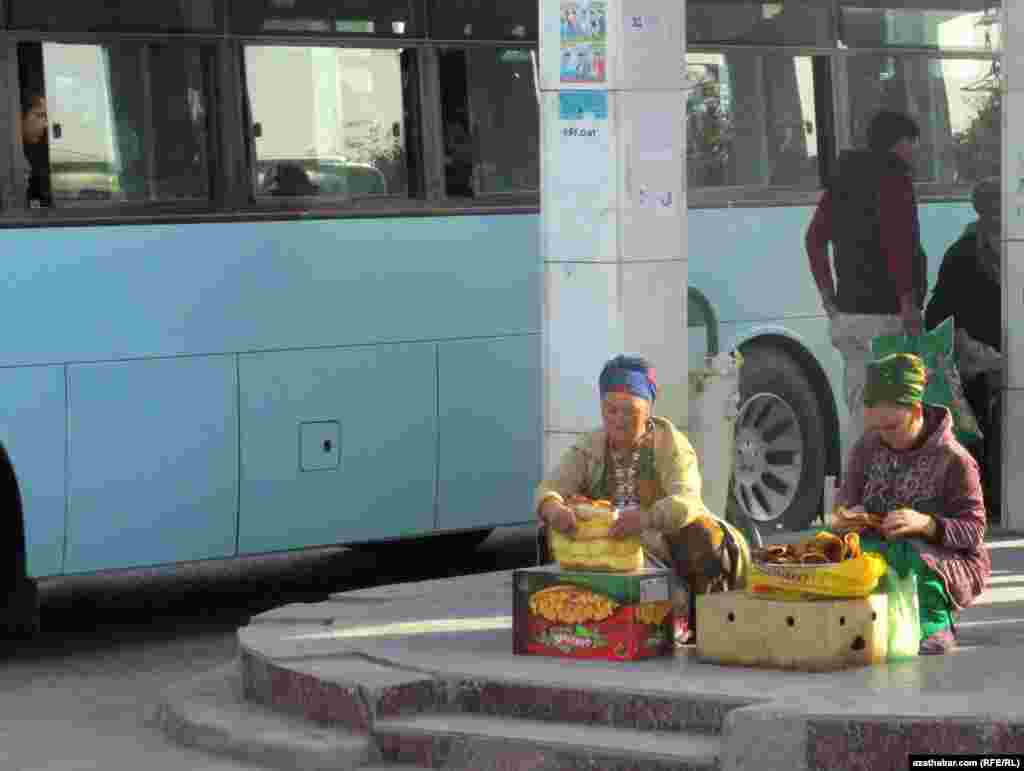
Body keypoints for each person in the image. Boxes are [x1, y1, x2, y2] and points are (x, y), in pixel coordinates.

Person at [535, 354, 751, 644]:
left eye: (629, 411)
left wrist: (647, 518)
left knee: (705, 537)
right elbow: (550, 488)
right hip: (607, 550)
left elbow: (687, 499)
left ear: (648, 409)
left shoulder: (671, 443)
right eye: (611, 410)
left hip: (665, 550)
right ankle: (576, 621)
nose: (619, 420)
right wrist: (554, 508)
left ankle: (706, 630)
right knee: (549, 530)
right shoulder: (590, 447)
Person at [832, 353, 991, 655]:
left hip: (939, 558)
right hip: (879, 547)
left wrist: (926, 524)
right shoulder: (867, 447)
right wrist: (847, 517)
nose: (883, 437)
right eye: (876, 428)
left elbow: (973, 531)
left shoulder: (954, 459)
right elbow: (844, 504)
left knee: (911, 556)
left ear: (917, 411)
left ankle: (935, 624)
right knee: (841, 557)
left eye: (891, 427)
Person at [806, 110, 928, 450]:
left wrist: (828, 297)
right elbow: (899, 244)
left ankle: (855, 493)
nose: (914, 153)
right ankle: (877, 493)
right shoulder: (895, 178)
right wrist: (908, 303)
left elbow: (814, 238)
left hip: (849, 318)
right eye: (911, 145)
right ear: (898, 144)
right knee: (893, 417)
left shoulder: (843, 179)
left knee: (860, 411)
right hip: (885, 317)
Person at [925, 177, 1003, 518]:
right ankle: (989, 501)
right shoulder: (964, 253)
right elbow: (937, 315)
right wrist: (970, 349)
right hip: (979, 363)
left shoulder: (1008, 248)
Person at [18, 90, 52, 208]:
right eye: (40, 115)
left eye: (46, 117)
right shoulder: (8, 151)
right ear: (20, 117)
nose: (46, 124)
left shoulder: (45, 151)